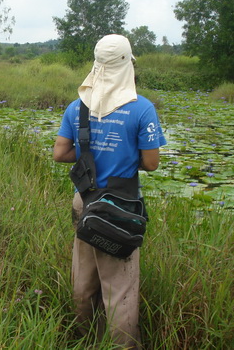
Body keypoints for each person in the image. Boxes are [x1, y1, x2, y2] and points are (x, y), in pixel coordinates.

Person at [53, 34, 166, 348]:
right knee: (121, 291)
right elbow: (152, 163)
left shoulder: (78, 108)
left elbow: (60, 153)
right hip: (120, 207)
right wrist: (124, 153)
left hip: (85, 202)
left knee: (84, 280)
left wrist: (91, 153)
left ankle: (84, 339)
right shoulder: (142, 109)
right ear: (127, 64)